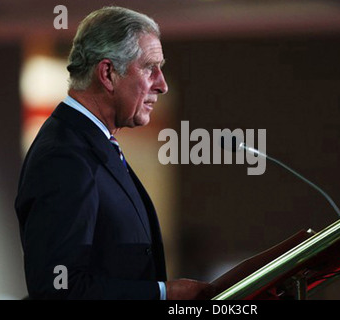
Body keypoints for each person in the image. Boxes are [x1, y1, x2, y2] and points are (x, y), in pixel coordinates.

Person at [15, 6, 213, 300]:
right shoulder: (64, 156)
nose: (162, 84)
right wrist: (162, 294)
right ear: (108, 73)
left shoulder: (90, 143)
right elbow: (57, 289)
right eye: (150, 68)